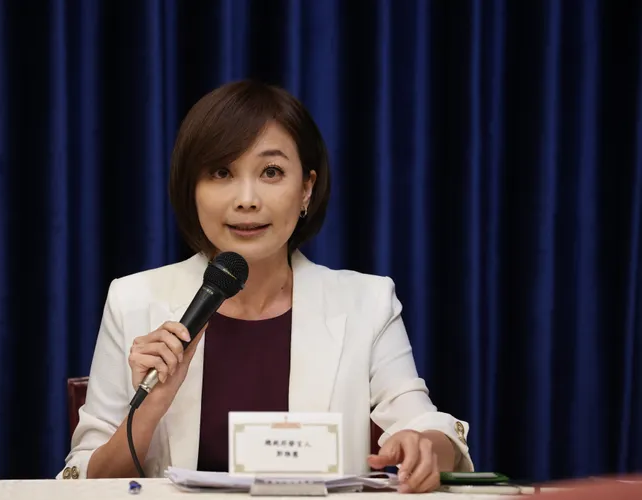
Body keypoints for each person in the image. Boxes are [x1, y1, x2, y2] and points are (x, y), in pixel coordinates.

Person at [58, 80, 474, 493]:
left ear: (306, 188)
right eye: (221, 172)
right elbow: (83, 479)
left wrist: (426, 447)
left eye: (271, 172)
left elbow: (427, 428)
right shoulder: (134, 300)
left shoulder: (366, 303)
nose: (247, 199)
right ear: (192, 189)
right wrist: (151, 406)